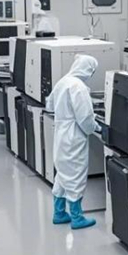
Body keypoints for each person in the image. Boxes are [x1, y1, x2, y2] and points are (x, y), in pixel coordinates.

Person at [46, 55, 101, 229]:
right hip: (74, 136)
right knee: (76, 173)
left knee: (63, 173)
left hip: (61, 133)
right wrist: (97, 127)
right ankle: (77, 218)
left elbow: (49, 105)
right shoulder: (79, 87)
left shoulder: (63, 82)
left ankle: (59, 213)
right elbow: (85, 119)